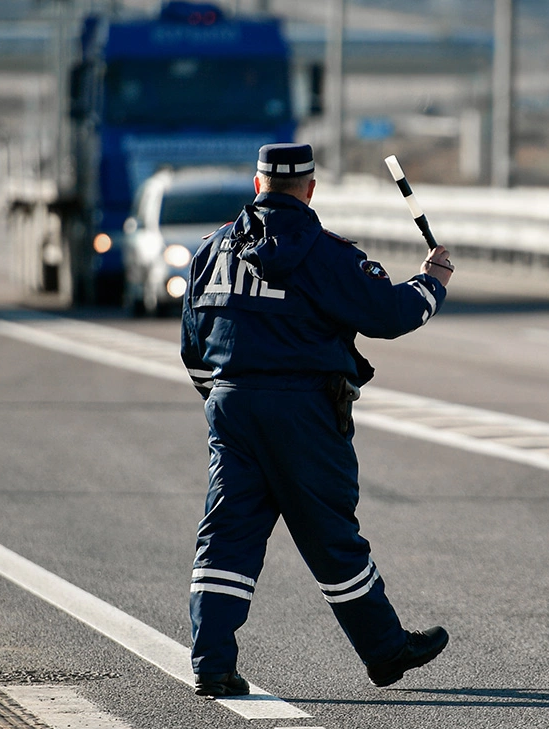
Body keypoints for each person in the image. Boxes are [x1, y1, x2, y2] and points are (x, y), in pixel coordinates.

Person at [180, 142, 454, 697]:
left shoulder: (212, 250)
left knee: (227, 537)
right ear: (309, 189)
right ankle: (385, 650)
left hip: (231, 408)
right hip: (304, 412)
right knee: (331, 535)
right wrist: (432, 283)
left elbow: (193, 346)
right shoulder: (329, 256)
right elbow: (389, 314)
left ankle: (211, 664)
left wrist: (225, 401)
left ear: (257, 185)